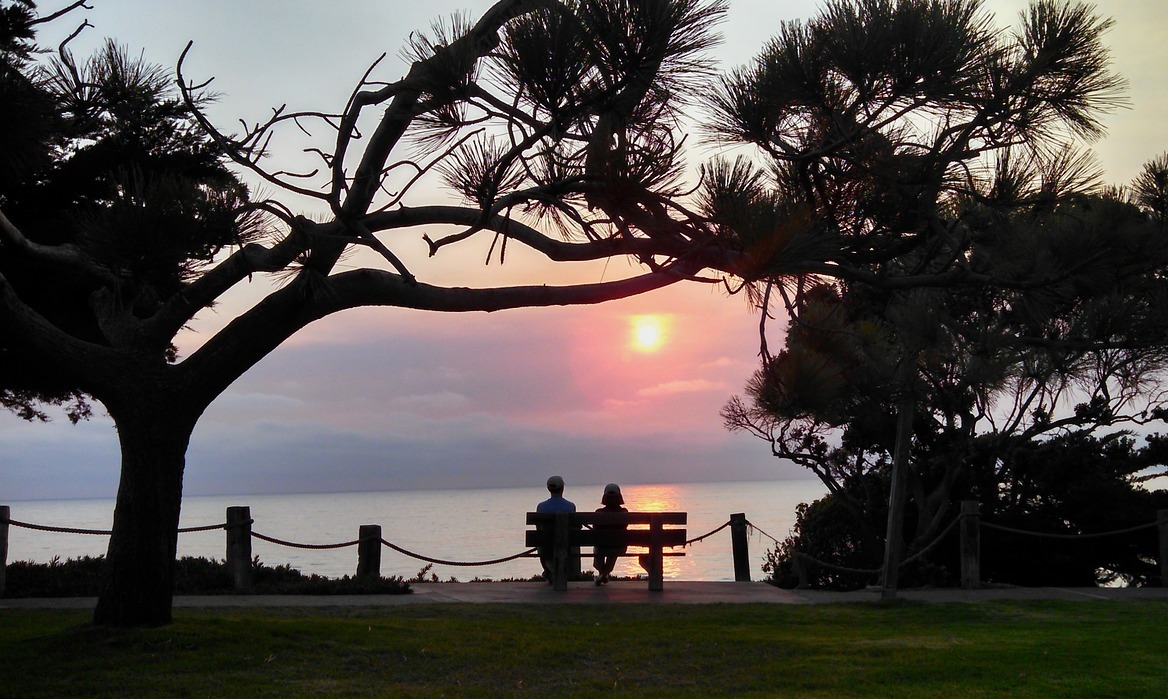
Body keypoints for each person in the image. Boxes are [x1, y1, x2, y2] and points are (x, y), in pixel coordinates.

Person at [536, 476, 576, 581]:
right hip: (566, 542)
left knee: (541, 545)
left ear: (548, 489)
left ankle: (549, 572)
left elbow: (538, 528)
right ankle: (561, 572)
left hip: (547, 543)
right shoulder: (570, 506)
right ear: (562, 488)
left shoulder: (541, 506)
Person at [592, 483, 628, 586]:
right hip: (619, 546)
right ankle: (603, 575)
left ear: (604, 497)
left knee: (601, 547)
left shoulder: (598, 513)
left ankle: (602, 575)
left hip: (601, 547)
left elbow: (595, 529)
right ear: (619, 497)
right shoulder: (624, 513)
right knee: (614, 549)